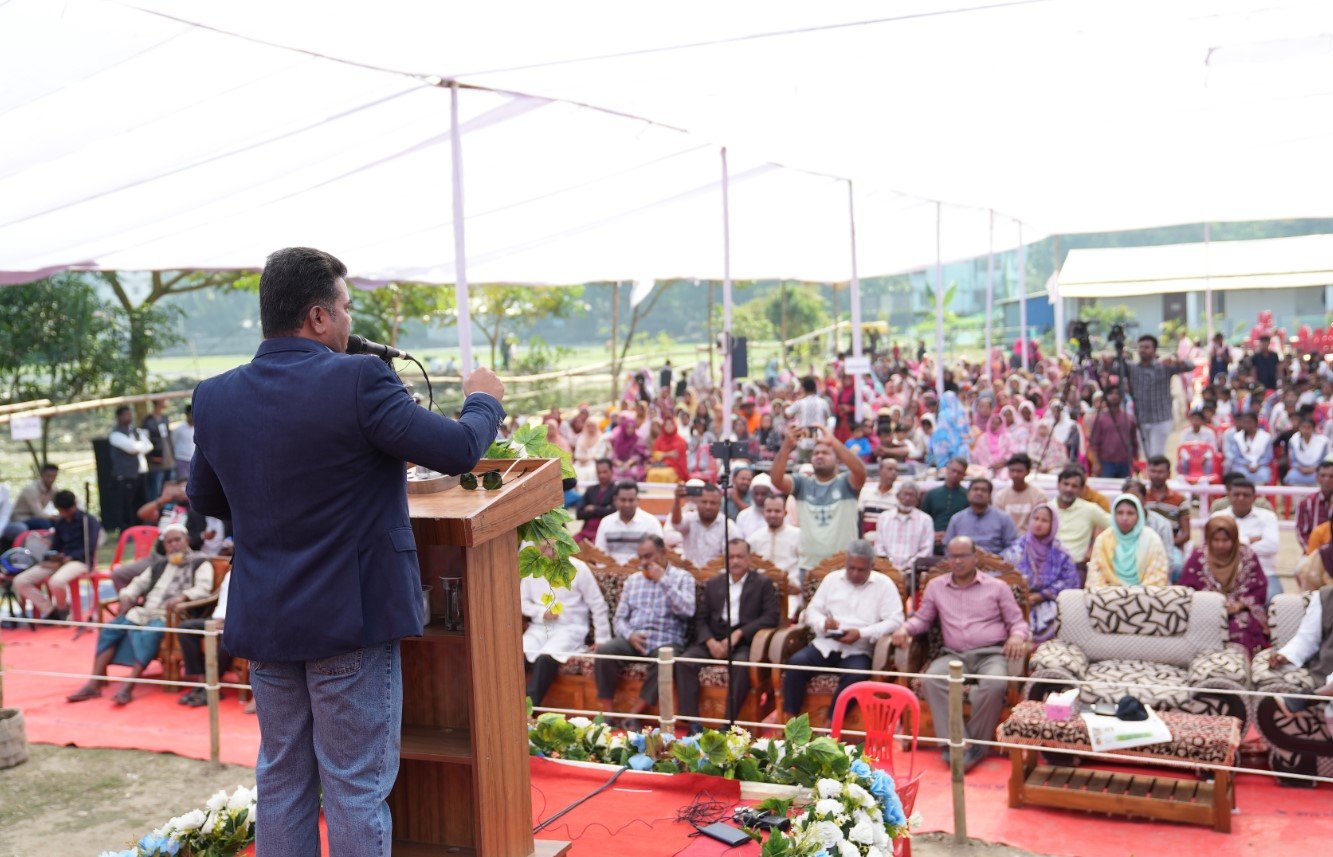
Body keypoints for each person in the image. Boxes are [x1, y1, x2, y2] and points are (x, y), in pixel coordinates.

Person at [186, 246, 506, 855]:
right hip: (348, 621)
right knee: (355, 787)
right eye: (346, 308)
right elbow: (461, 450)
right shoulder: (360, 379)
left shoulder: (215, 395)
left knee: (281, 780)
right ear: (317, 317)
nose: (350, 322)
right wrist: (483, 398)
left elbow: (207, 497)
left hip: (266, 620)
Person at [891, 535, 1029, 773]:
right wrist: (905, 628)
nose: (957, 561)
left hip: (991, 654)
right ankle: (956, 742)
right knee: (932, 679)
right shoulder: (936, 586)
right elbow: (922, 619)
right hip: (954, 655)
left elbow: (1018, 623)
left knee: (995, 684)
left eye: (963, 555)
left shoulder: (997, 587)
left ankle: (974, 746)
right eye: (952, 556)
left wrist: (1017, 636)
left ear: (975, 557)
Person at [66, 524, 212, 706]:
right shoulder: (159, 564)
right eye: (169, 542)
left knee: (148, 634)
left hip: (173, 615)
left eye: (177, 540)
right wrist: (127, 596)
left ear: (187, 540)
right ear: (164, 545)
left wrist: (183, 596)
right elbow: (136, 584)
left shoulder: (200, 562)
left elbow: (204, 589)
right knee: (111, 629)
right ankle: (94, 683)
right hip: (145, 612)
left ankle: (129, 686)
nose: (174, 545)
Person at [777, 540, 904, 721]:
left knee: (856, 676)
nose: (854, 573)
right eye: (851, 568)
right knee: (796, 664)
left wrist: (862, 633)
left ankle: (831, 726)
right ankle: (791, 722)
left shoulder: (884, 585)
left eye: (861, 570)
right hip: (827, 643)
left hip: (859, 648)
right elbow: (812, 611)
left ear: (872, 566)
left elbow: (896, 620)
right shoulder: (832, 579)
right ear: (845, 563)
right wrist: (823, 623)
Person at [676, 539, 781, 728]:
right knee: (684, 662)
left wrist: (740, 633)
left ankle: (727, 724)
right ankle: (693, 722)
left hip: (743, 641)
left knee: (741, 665)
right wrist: (709, 641)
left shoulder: (762, 583)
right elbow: (701, 619)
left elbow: (771, 617)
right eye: (731, 557)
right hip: (714, 638)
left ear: (749, 559)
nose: (735, 561)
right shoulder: (715, 583)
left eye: (740, 557)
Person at [594, 535, 696, 725]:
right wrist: (630, 635)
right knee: (605, 652)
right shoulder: (633, 580)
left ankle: (634, 715)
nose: (644, 563)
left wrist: (663, 581)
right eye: (640, 558)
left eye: (648, 556)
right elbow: (619, 619)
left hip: (666, 639)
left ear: (663, 553)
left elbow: (688, 611)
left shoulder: (683, 578)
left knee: (664, 660)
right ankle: (608, 714)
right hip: (635, 637)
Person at [771, 422, 867, 592]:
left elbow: (861, 472)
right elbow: (776, 480)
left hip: (843, 567)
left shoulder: (846, 483)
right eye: (816, 453)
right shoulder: (802, 484)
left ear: (837, 459)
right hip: (809, 567)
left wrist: (834, 442)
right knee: (812, 615)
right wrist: (787, 446)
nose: (819, 456)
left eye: (825, 452)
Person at [521, 547, 610, 709]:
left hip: (570, 628)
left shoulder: (578, 568)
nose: (547, 549)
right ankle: (509, 708)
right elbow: (522, 602)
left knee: (546, 657)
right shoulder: (532, 568)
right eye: (543, 544)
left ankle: (528, 711)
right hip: (539, 628)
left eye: (552, 544)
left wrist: (602, 638)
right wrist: (541, 612)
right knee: (518, 654)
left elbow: (597, 604)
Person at [1179, 517, 1270, 655]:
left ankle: (1239, 667)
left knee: (1242, 628)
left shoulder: (1247, 556)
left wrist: (1238, 605)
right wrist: (1213, 605)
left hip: (1240, 610)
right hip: (1205, 610)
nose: (1220, 545)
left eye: (1225, 540)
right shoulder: (1198, 557)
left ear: (1234, 539)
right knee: (1204, 629)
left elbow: (1258, 588)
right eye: (1215, 540)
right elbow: (1186, 589)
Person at [12, 490, 101, 621]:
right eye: (61, 511)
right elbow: (56, 546)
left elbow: (90, 548)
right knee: (20, 581)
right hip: (60, 560)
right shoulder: (60, 522)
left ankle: (62, 608)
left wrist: (71, 557)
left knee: (57, 582)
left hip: (80, 561)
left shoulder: (88, 521)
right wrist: (52, 557)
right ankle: (50, 610)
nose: (64, 513)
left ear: (74, 505)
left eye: (67, 510)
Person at [1001, 504, 1079, 642]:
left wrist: (1041, 596)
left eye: (1044, 520)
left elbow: (1069, 581)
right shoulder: (1019, 547)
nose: (1038, 523)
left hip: (1049, 601)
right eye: (1035, 518)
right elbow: (1005, 573)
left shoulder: (1060, 552)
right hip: (1019, 600)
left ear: (1053, 524)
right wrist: (1022, 595)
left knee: (1056, 613)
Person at [1211, 478, 1281, 602]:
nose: (1241, 498)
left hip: (1264, 572)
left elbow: (1272, 546)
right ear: (1228, 496)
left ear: (1254, 498)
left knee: (1274, 600)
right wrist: (1250, 540)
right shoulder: (1217, 517)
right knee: (1211, 601)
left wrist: (1233, 544)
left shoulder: (1267, 517)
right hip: (1223, 574)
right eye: (1236, 494)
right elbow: (1211, 548)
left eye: (1246, 495)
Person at [175, 569, 236, 708]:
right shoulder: (230, 571)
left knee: (227, 636)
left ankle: (212, 686)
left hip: (235, 622)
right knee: (185, 628)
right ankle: (202, 681)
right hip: (216, 618)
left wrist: (230, 622)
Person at [1126, 335, 1193, 458]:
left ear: (1154, 350)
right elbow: (1112, 367)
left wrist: (1176, 360)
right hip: (1141, 420)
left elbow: (1190, 366)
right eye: (1141, 347)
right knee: (1146, 456)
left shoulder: (1164, 366)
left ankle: (1158, 476)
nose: (1143, 350)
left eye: (1147, 347)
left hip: (1160, 420)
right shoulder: (1133, 368)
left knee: (1157, 455)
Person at [1085, 494, 1169, 588]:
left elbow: (1157, 576)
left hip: (1144, 595)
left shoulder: (1151, 539)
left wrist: (1137, 593)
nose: (1124, 518)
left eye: (1130, 513)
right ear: (1113, 514)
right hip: (1109, 594)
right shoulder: (1104, 539)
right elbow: (1096, 574)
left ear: (1139, 515)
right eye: (1120, 513)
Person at [747, 494, 802, 612]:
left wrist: (797, 584)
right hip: (760, 593)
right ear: (763, 513)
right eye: (769, 511)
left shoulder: (798, 535)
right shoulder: (755, 538)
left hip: (790, 592)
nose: (772, 515)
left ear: (785, 513)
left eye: (777, 511)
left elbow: (804, 565)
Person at [1122, 479, 1182, 580]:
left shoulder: (1161, 524)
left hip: (1155, 576)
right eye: (1127, 498)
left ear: (1145, 499)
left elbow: (1168, 561)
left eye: (1135, 497)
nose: (1131, 501)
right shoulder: (1117, 524)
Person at [1051, 467, 1110, 567]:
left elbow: (1116, 525)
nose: (1069, 489)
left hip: (1077, 566)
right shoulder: (1048, 509)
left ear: (1081, 489)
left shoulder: (1090, 509)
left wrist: (1094, 548)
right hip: (1050, 565)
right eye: (1066, 484)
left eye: (1074, 486)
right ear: (1058, 485)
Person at [594, 481, 664, 564]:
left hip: (643, 573)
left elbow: (658, 554)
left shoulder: (651, 522)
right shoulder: (606, 522)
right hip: (611, 574)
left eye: (631, 500)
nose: (627, 504)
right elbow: (600, 554)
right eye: (623, 500)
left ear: (637, 500)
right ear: (615, 500)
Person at [944, 478, 1018, 556]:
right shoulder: (957, 519)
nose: (979, 493)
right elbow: (948, 546)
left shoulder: (1003, 518)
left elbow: (1012, 547)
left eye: (984, 490)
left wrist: (997, 560)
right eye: (975, 489)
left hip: (995, 563)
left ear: (990, 496)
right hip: (963, 563)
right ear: (968, 494)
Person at [109, 405, 153, 531]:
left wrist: (137, 447)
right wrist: (139, 447)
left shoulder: (135, 431)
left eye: (130, 414)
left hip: (140, 473)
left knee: (142, 501)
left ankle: (141, 527)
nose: (129, 417)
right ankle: (126, 529)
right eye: (125, 415)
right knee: (126, 504)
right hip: (126, 474)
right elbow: (132, 448)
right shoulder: (115, 434)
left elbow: (148, 446)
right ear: (118, 417)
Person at [873, 480, 934, 569]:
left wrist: (909, 565)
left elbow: (927, 550)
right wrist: (889, 566)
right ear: (897, 496)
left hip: (914, 570)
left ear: (917, 499)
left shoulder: (925, 520)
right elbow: (879, 546)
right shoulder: (884, 517)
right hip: (886, 569)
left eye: (911, 495)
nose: (907, 498)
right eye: (905, 494)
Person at [1144, 456, 1191, 559]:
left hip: (1171, 547)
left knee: (1177, 566)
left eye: (1160, 472)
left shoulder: (1180, 500)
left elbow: (1186, 534)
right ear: (1147, 473)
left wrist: (1167, 543)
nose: (1156, 475)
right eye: (1153, 471)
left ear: (1168, 474)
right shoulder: (1142, 498)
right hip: (1144, 546)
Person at [920, 458, 970, 554]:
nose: (955, 475)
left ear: (964, 476)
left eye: (959, 473)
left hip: (959, 541)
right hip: (932, 540)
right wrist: (931, 535)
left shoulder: (967, 496)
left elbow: (969, 522)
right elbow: (923, 520)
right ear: (947, 469)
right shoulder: (931, 494)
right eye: (953, 470)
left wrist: (949, 535)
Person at [671, 482, 726, 568]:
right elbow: (677, 524)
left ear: (719, 505)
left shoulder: (727, 525)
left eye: (713, 503)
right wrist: (677, 500)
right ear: (697, 503)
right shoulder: (690, 519)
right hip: (690, 574)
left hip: (717, 576)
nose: (708, 506)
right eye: (704, 502)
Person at [1088, 386, 1138, 479]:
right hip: (1106, 463)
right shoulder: (1100, 418)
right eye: (1111, 393)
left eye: (1117, 393)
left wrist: (1135, 461)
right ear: (1106, 397)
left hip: (1125, 463)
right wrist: (1096, 463)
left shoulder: (1129, 418)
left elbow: (1134, 442)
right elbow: (1094, 443)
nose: (1114, 396)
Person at [993, 453, 1050, 536]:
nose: (1015, 474)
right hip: (1007, 540)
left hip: (1032, 540)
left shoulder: (1039, 496)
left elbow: (1041, 523)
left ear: (1027, 472)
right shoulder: (1000, 497)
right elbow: (998, 524)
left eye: (1019, 471)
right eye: (1012, 470)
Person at [141, 398, 176, 502]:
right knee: (155, 490)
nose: (166, 402)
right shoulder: (148, 421)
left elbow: (168, 437)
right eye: (164, 399)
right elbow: (145, 440)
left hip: (169, 460)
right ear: (158, 402)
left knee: (170, 488)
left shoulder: (165, 418)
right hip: (156, 461)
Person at [574, 459, 617, 544]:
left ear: (611, 471)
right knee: (569, 546)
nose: (602, 475)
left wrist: (593, 509)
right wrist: (603, 510)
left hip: (605, 532)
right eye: (599, 472)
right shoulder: (590, 490)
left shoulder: (616, 490)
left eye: (605, 472)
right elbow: (579, 514)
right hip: (585, 531)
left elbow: (613, 512)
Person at [1225, 410, 1274, 481]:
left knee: (1263, 475)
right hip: (1242, 466)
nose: (1246, 425)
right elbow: (1236, 457)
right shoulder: (1237, 437)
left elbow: (1268, 457)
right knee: (1240, 474)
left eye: (1249, 422)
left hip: (1261, 466)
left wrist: (1257, 465)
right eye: (1244, 422)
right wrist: (1247, 465)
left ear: (1256, 423)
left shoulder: (1266, 437)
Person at [1296, 460, 1333, 552]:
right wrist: (1313, 554)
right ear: (1317, 477)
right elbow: (1302, 533)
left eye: (1331, 476)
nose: (1326, 479)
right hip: (1312, 553)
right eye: (1323, 475)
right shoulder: (1306, 502)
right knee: (1301, 566)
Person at [12, 462, 58, 529]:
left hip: (37, 518)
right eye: (48, 476)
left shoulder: (53, 489)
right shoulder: (31, 490)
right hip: (21, 519)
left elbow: (59, 504)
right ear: (42, 475)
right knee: (45, 523)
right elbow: (39, 514)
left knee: (61, 522)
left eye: (54, 476)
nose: (51, 479)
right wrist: (55, 517)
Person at [1285, 414, 1329, 487]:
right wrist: (1301, 468)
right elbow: (1293, 461)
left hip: (1316, 470)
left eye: (1309, 427)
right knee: (1291, 476)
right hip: (1299, 470)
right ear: (1300, 428)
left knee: (1322, 477)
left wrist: (1313, 469)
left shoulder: (1322, 441)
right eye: (1303, 427)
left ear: (1313, 428)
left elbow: (1323, 460)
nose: (1306, 430)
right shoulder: (1294, 440)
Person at [609, 414, 648, 482]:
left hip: (634, 464)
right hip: (619, 464)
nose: (630, 429)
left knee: (633, 473)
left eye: (632, 427)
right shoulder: (618, 439)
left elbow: (640, 455)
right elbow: (614, 454)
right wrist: (618, 463)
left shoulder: (638, 439)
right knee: (613, 474)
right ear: (624, 428)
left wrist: (629, 463)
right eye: (628, 427)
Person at [651, 415, 690, 482]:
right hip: (660, 466)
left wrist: (662, 455)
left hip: (675, 468)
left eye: (671, 424)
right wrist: (668, 454)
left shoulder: (680, 441)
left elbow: (676, 456)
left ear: (674, 425)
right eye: (666, 424)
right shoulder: (659, 440)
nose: (669, 426)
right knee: (651, 473)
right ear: (663, 427)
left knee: (665, 475)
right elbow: (655, 455)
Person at [734, 472, 772, 539]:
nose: (759, 497)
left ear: (770, 494)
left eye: (763, 494)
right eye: (756, 494)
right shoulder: (743, 515)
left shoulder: (776, 515)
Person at [170, 404, 196, 482]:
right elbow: (172, 443)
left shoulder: (198, 428)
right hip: (181, 460)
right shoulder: (178, 429)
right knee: (183, 483)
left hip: (194, 460)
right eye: (190, 414)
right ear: (186, 415)